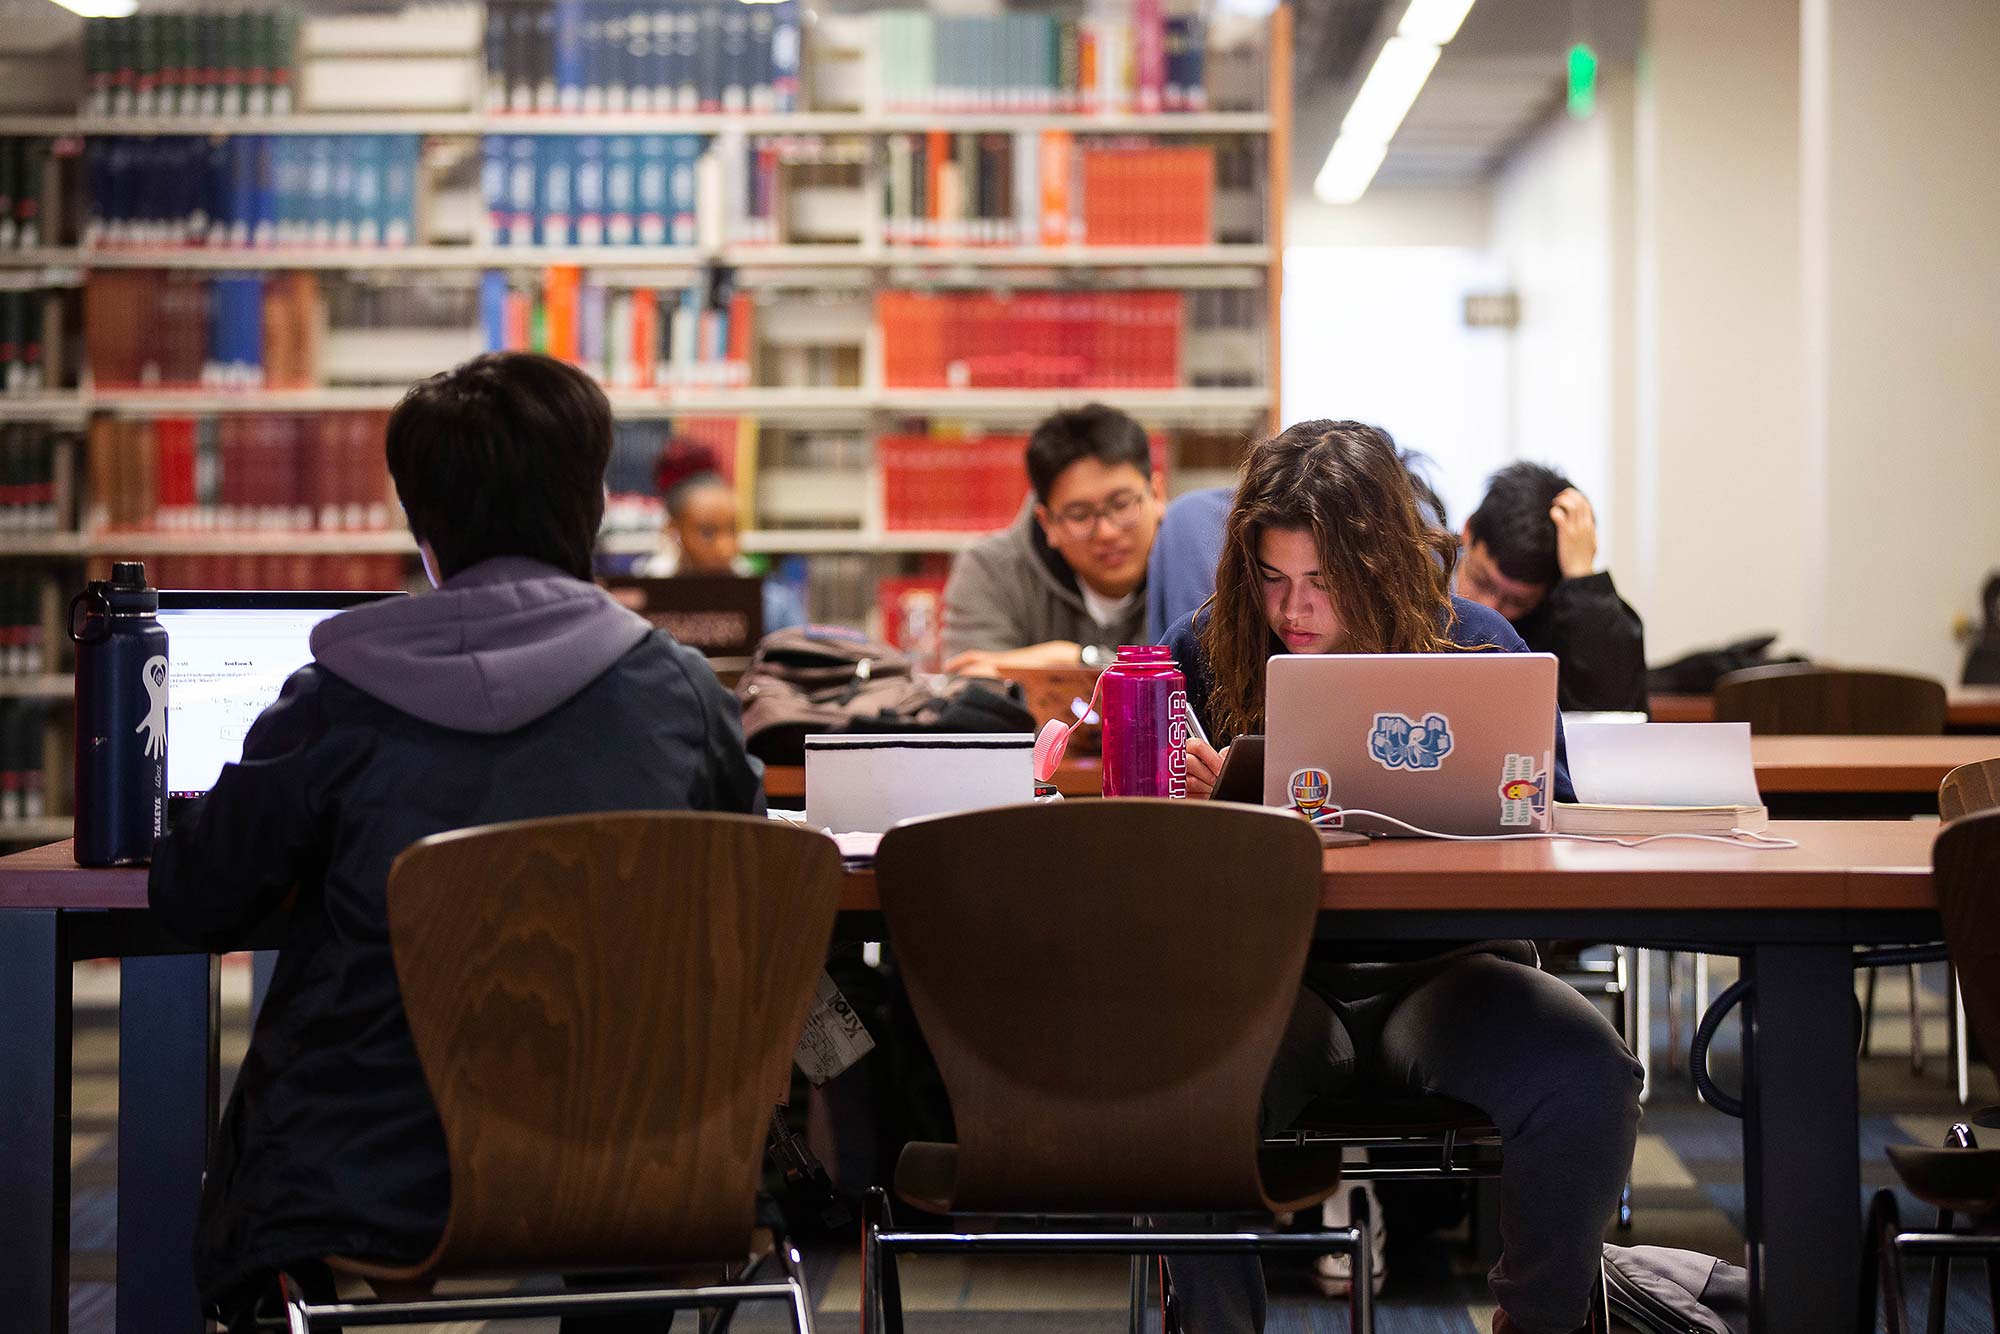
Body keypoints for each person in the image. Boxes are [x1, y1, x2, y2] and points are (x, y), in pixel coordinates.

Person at [148, 352, 766, 1334]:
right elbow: (753, 902)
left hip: (368, 1163)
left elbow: (194, 899)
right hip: (638, 1152)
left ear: (422, 525)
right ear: (595, 504)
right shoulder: (683, 693)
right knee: (623, 1110)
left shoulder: (333, 698)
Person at [1161, 421, 1642, 1334]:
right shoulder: (1204, 649)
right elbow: (1157, 866)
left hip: (1451, 973)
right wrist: (1216, 807)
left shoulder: (1480, 646)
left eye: (1322, 581)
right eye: (1272, 578)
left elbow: (1550, 832)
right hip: (1275, 981)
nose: (1291, 611)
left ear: (1382, 564)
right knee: (1183, 1086)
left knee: (1590, 1074)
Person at [942, 403, 1165, 675]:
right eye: (1080, 515)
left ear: (1157, 494)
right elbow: (972, 686)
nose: (1107, 532)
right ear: (1047, 523)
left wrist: (1077, 661)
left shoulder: (1202, 561)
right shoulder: (990, 570)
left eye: (1121, 505)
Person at [1458, 462, 1648, 713]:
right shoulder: (1416, 582)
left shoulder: (1564, 616)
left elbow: (1612, 715)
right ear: (1468, 531)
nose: (1490, 607)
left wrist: (1581, 580)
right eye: (1481, 582)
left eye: (1517, 602)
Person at [637, 437, 808, 634]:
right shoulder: (644, 605)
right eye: (707, 532)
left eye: (733, 530)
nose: (726, 547)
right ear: (672, 530)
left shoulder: (774, 606)